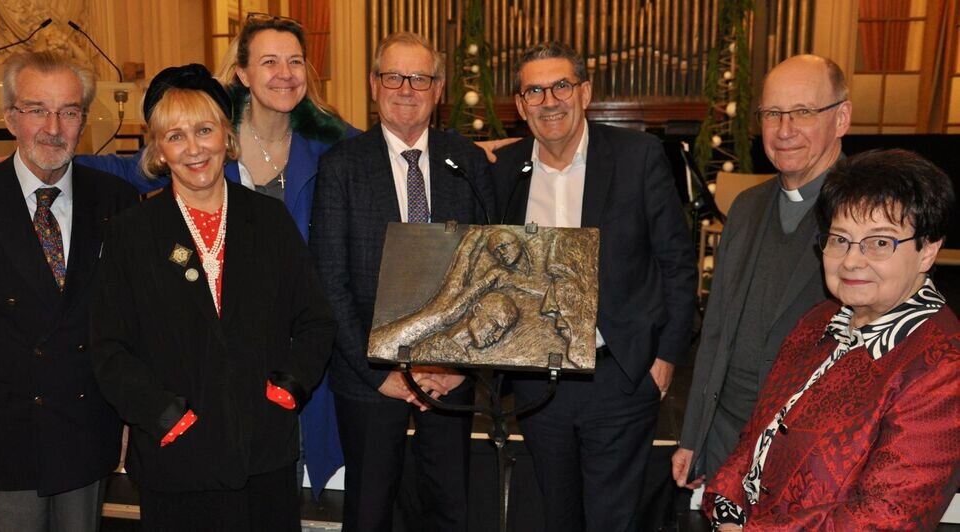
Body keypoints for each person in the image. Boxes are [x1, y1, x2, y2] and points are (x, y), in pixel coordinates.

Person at [76, 13, 355, 495]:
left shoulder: (290, 192)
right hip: (175, 450)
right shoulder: (132, 233)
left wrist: (287, 390)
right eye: (176, 137)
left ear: (224, 137)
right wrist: (160, 413)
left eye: (204, 132)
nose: (192, 148)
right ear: (159, 150)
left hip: (264, 440)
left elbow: (314, 317)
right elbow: (109, 346)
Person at [0, 51, 138, 531]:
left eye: (69, 111)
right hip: (0, 430)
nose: (53, 126)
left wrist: (124, 417)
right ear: (11, 117)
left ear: (83, 120)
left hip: (86, 424)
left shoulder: (116, 201)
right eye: (38, 109)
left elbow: (125, 324)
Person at [491, 42, 696, 531]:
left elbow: (678, 262)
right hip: (537, 381)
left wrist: (665, 358)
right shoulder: (504, 171)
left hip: (620, 376)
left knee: (612, 520)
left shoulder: (638, 156)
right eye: (534, 91)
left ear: (585, 91)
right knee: (556, 516)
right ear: (520, 106)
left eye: (561, 85)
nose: (549, 101)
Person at [704, 149, 960, 530]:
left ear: (927, 250)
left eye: (879, 243)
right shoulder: (821, 319)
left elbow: (886, 515)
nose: (851, 261)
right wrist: (728, 513)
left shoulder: (941, 364)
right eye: (839, 239)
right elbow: (757, 434)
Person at [309, 31, 496, 532]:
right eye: (394, 76)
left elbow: (489, 275)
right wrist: (381, 373)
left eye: (421, 78)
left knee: (450, 510)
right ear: (374, 85)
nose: (407, 88)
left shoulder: (468, 163)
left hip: (449, 377)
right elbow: (330, 281)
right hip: (369, 379)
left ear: (439, 89)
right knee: (369, 512)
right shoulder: (341, 167)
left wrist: (460, 367)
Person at [672, 54, 852, 489]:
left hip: (813, 454)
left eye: (803, 112)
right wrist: (694, 435)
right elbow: (716, 328)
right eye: (772, 113)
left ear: (841, 118)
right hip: (726, 444)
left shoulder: (868, 211)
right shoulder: (747, 208)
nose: (784, 130)